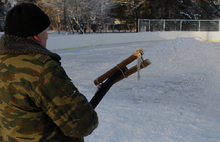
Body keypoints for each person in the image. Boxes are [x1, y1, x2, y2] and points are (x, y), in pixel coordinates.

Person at [0, 3, 98, 142]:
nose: (47, 37)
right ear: (36, 36)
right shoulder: (42, 68)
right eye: (45, 31)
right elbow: (82, 124)